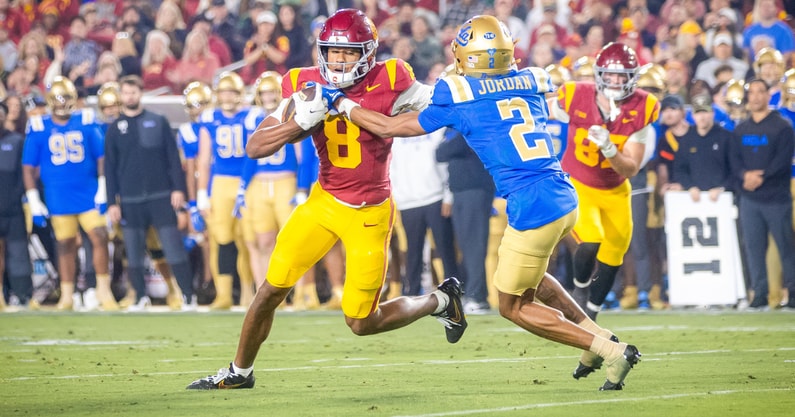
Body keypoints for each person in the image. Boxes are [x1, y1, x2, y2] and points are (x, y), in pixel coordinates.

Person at [330, 14, 640, 391]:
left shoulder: (458, 92)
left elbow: (391, 127)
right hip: (562, 194)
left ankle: (609, 351)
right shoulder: (532, 79)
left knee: (511, 305)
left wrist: (342, 103)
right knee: (533, 277)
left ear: (468, 56)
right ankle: (596, 335)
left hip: (531, 204)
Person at [186, 9, 466, 390]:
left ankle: (440, 301)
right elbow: (254, 147)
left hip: (370, 210)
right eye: (332, 51)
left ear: (367, 53)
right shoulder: (305, 83)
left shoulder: (392, 77)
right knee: (270, 288)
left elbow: (437, 108)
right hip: (324, 202)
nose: (338, 60)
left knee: (360, 322)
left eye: (348, 53)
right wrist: (300, 122)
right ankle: (240, 371)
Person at [555, 42, 660, 321]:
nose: (615, 81)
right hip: (579, 182)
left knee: (615, 251)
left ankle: (592, 312)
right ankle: (579, 290)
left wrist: (610, 150)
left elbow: (631, 169)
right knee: (590, 239)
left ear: (632, 78)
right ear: (599, 74)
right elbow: (544, 109)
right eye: (610, 75)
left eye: (621, 76)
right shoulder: (575, 95)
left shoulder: (643, 106)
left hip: (615, 189)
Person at [22, 76, 117, 311]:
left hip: (87, 192)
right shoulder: (38, 126)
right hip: (58, 195)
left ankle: (104, 291)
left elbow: (102, 157)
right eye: (58, 98)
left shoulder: (85, 120)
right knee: (64, 244)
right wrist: (34, 200)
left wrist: (103, 189)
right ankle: (67, 295)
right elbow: (28, 167)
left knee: (99, 236)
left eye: (66, 98)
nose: (63, 103)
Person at [104, 75, 194, 311]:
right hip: (130, 200)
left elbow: (173, 159)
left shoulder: (158, 121)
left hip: (161, 196)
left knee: (173, 247)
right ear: (121, 95)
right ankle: (140, 297)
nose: (130, 96)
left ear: (140, 93)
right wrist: (111, 202)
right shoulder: (114, 129)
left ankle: (188, 296)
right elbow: (110, 169)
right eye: (126, 92)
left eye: (133, 92)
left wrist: (178, 189)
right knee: (133, 252)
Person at [729, 78, 795, 310]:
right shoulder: (740, 130)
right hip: (749, 200)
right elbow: (733, 161)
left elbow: (783, 160)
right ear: (747, 98)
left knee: (786, 247)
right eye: (752, 92)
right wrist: (744, 175)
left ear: (769, 95)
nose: (756, 96)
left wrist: (761, 176)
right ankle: (759, 294)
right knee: (753, 249)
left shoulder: (783, 126)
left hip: (777, 197)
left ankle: (793, 294)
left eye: (761, 91)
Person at [195, 71, 258, 309]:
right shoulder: (209, 117)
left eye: (232, 92)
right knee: (221, 239)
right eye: (224, 92)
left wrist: (245, 184)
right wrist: (202, 193)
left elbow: (253, 153)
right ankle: (223, 295)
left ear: (240, 94)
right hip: (220, 182)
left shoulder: (250, 116)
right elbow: (203, 158)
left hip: (246, 182)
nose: (228, 97)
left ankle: (247, 293)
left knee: (247, 239)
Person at [0, 101, 34, 310]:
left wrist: (19, 199)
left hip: (13, 210)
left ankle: (23, 296)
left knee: (19, 254)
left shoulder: (17, 141)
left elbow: (25, 174)